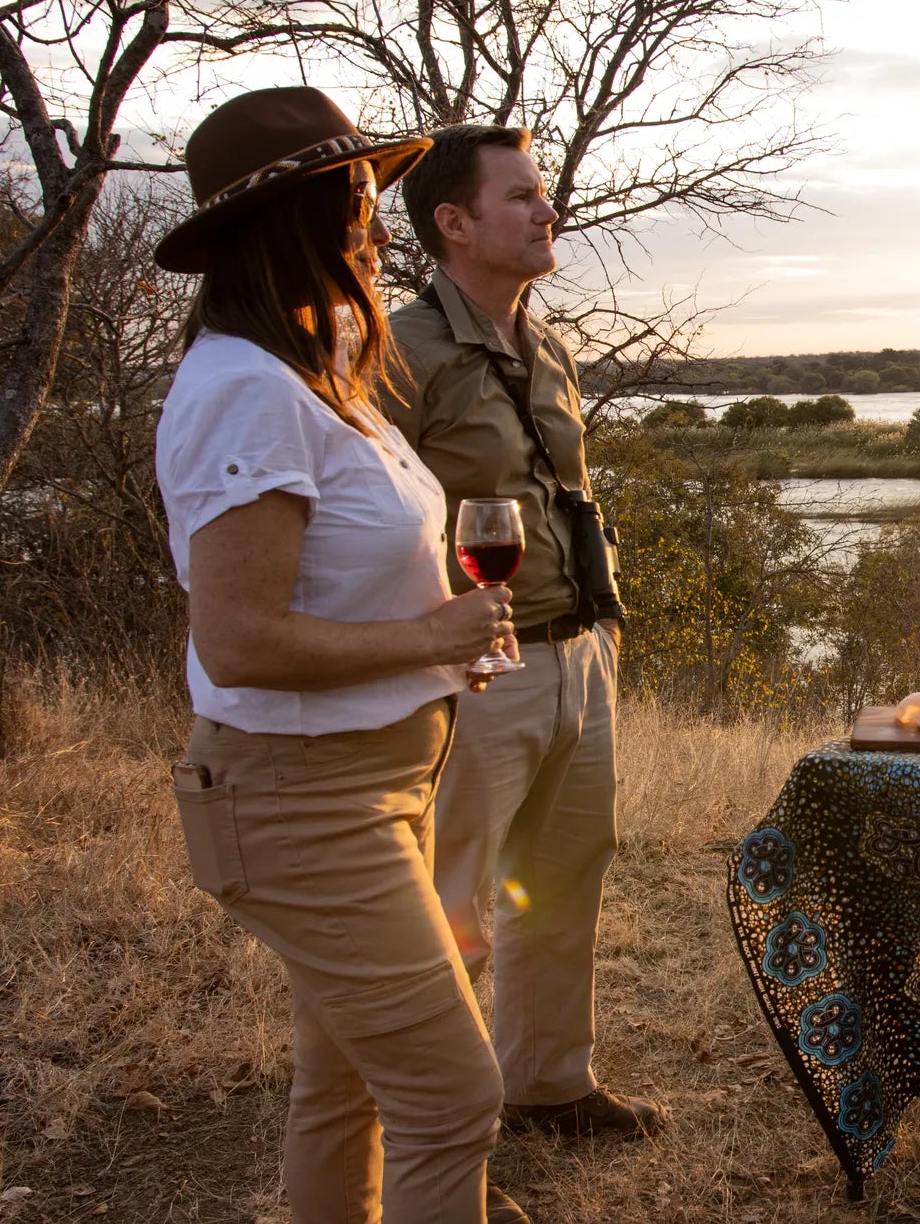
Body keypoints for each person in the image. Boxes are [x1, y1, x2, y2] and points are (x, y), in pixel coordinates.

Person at [153, 87, 533, 1223]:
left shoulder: (313, 375)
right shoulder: (243, 393)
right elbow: (238, 638)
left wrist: (437, 645)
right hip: (303, 804)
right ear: (295, 221)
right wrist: (429, 634)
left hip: (378, 778)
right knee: (453, 1097)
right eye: (355, 197)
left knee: (346, 1082)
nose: (374, 221)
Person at [385, 124, 661, 1143]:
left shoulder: (544, 343)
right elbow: (367, 519)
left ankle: (547, 1084)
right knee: (450, 904)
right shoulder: (399, 352)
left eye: (543, 194)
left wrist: (606, 632)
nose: (549, 210)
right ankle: (435, 1132)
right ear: (452, 225)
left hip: (577, 651)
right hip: (477, 671)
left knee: (564, 871)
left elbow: (567, 499)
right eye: (522, 197)